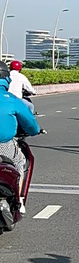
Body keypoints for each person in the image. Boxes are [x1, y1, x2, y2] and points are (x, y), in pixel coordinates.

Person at [0, 61, 41, 214]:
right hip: (4, 144)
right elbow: (31, 124)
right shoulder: (11, 99)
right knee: (19, 161)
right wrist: (35, 131)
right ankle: (19, 201)